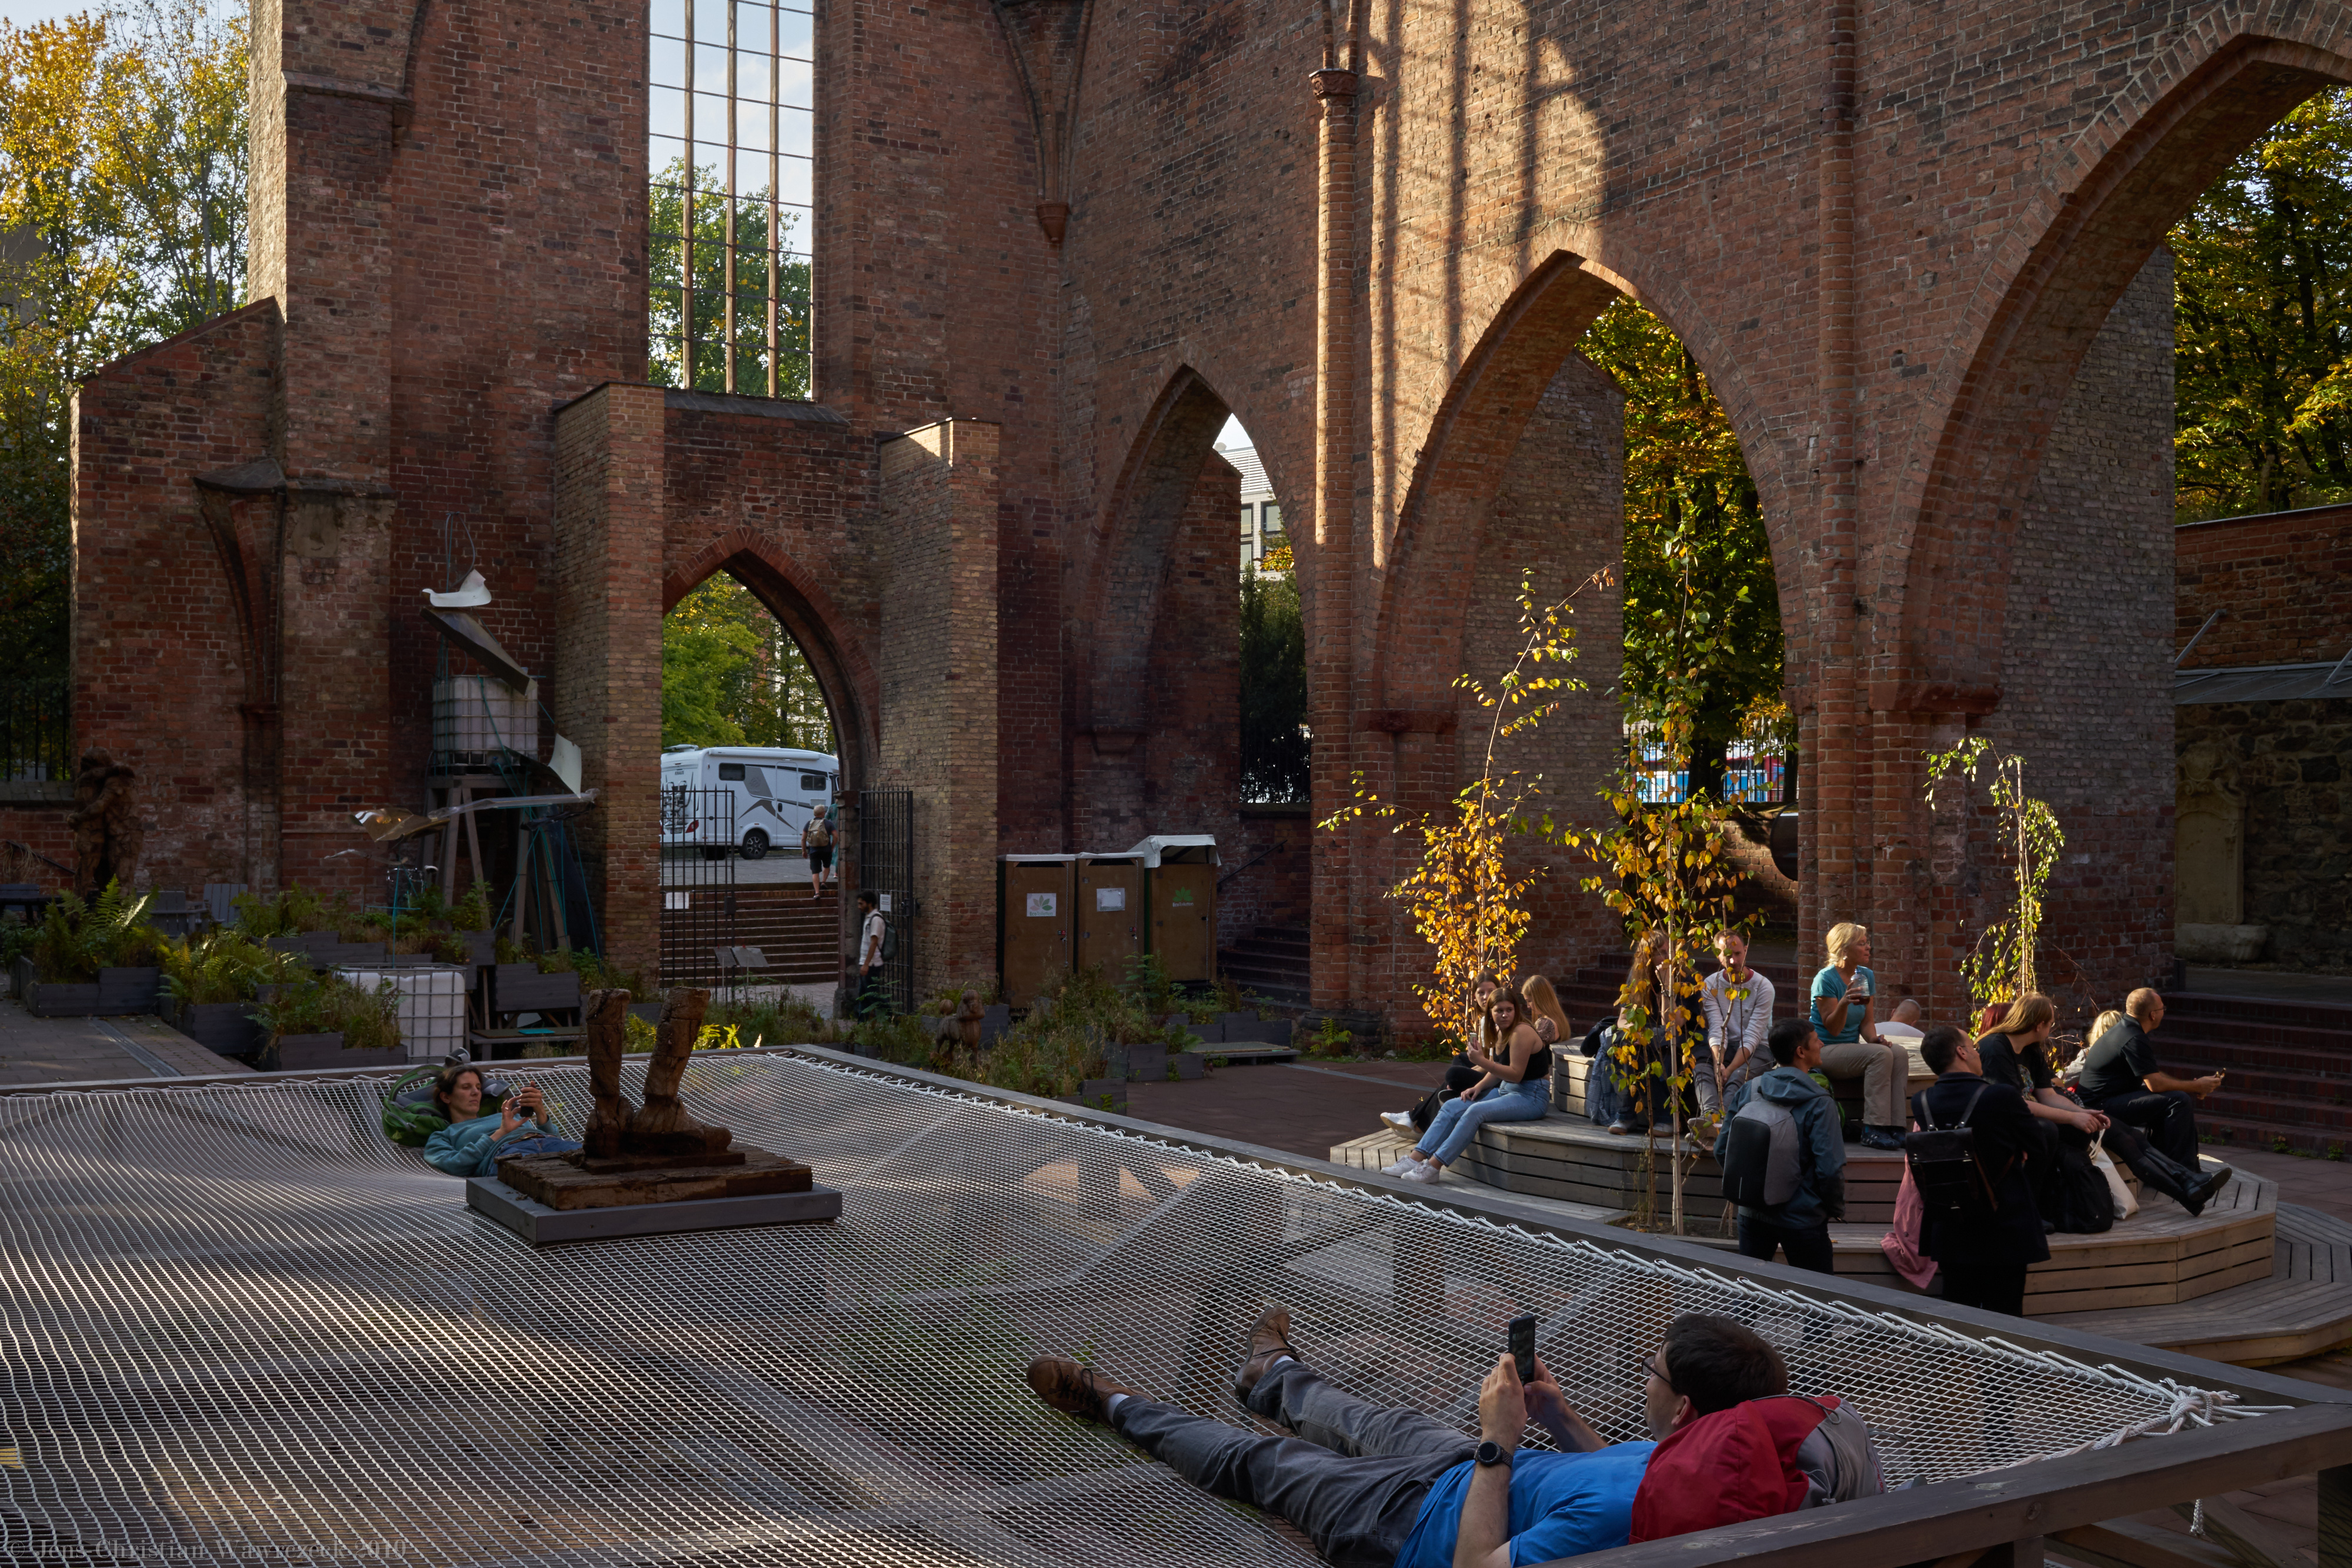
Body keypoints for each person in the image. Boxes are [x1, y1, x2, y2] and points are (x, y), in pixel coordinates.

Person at [1021, 1308, 1821, 1568]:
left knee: (1261, 1460)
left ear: (1683, 1410)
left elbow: (1476, 1566)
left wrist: (1499, 1441)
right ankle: (1270, 1371)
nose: (1643, 1377)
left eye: (1651, 1371)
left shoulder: (1616, 1525)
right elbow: (1612, 1469)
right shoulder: (1704, 1462)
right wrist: (1554, 1415)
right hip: (1471, 1469)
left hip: (1408, 1524)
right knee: (1360, 1416)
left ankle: (1109, 1400)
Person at [1976, 995, 2230, 1218]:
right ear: (2038, 1025)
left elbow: (2047, 1095)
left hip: (2044, 1116)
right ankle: (2188, 1190)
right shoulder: (1996, 1047)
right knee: (2121, 1138)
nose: (2052, 1029)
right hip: (2017, 1123)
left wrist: (2082, 1112)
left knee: (2126, 1134)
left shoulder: (2032, 1049)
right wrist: (2072, 1118)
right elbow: (2016, 1104)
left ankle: (2188, 1185)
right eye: (2051, 1024)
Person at [1912, 1025, 2046, 1315]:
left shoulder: (1922, 1102)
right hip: (2004, 1221)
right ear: (1961, 1052)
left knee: (1959, 1315)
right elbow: (2039, 1145)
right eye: (1973, 1047)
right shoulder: (2002, 1096)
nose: (1977, 1052)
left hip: (1950, 1222)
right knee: (2006, 1316)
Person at [1713, 1018, 1846, 1274]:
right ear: (1801, 1052)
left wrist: (1752, 1188)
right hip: (1803, 1217)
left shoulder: (1750, 1090)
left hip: (1752, 1213)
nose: (1822, 1043)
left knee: (1749, 1292)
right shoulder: (1820, 1103)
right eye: (1816, 1040)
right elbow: (1830, 1169)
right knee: (1816, 1295)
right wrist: (1833, 1208)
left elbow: (1722, 1150)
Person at [1386, 988, 1554, 1184]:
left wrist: (1481, 1061)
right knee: (1452, 1105)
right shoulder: (1500, 1031)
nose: (1505, 1015)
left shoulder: (1521, 1032)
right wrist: (1479, 1086)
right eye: (1499, 1011)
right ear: (1490, 1012)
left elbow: (1516, 1075)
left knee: (1475, 1111)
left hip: (1532, 1096)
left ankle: (1433, 1167)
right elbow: (1499, 1068)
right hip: (1506, 1090)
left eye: (1509, 1010)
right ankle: (1414, 1159)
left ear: (1516, 1010)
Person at [2075, 989, 2221, 1171]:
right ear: (2153, 1015)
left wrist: (2194, 1086)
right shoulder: (2133, 1038)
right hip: (2098, 1106)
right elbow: (2156, 1085)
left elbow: (2153, 1075)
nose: (2163, 1012)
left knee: (2172, 1097)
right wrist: (2196, 1086)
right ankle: (2187, 1171)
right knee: (2179, 1101)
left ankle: (2167, 1166)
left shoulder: (2126, 1029)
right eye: (2162, 1009)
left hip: (2107, 1099)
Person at [1810, 922, 1907, 1150]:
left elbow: (1867, 1021)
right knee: (1880, 1055)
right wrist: (1844, 1002)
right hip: (1824, 1050)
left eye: (1867, 942)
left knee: (1899, 1053)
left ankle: (1896, 1126)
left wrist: (1874, 1040)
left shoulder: (1866, 975)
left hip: (1851, 1050)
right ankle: (1873, 1128)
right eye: (1862, 944)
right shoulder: (1825, 979)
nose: (1868, 947)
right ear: (1844, 950)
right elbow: (1833, 1029)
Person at [421, 1066, 580, 1176]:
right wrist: (501, 1133)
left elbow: (556, 1139)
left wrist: (540, 1111)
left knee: (593, 1160)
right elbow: (455, 1165)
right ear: (446, 1097)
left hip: (550, 1143)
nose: (476, 1092)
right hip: (509, 1154)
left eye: (478, 1087)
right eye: (466, 1087)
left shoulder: (507, 1116)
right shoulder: (444, 1136)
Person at [1695, 931, 1775, 1123]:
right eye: (1727, 955)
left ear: (1746, 950)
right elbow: (1717, 1028)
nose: (1733, 961)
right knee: (1702, 1070)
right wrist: (1718, 1064)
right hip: (1725, 1047)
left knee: (1738, 1077)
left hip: (1758, 1049)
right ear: (1718, 954)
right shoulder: (1710, 984)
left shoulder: (1763, 986)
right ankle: (1710, 1118)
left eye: (1738, 953)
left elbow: (1753, 1036)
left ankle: (1721, 1123)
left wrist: (1729, 1070)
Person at [855, 891, 888, 1018]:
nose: (859, 907)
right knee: (864, 996)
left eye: (861, 904)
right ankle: (862, 1023)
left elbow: (874, 943)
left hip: (872, 964)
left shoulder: (876, 919)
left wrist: (866, 964)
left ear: (869, 903)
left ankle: (894, 1016)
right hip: (867, 963)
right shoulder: (869, 917)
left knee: (873, 996)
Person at [800, 804, 834, 900]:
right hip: (826, 850)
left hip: (814, 850)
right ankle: (823, 882)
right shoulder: (828, 823)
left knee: (815, 872)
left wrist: (804, 851)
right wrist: (832, 846)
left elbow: (803, 839)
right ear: (823, 813)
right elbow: (836, 836)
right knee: (826, 866)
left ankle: (817, 893)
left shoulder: (809, 823)